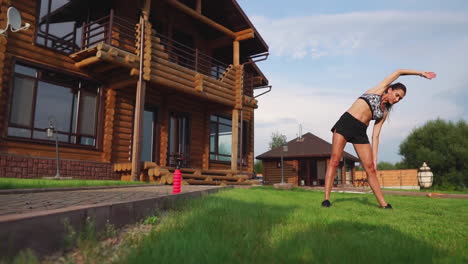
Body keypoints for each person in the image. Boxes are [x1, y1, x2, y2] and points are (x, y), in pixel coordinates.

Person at [322, 69, 437, 209]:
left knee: (370, 168)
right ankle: (326, 199)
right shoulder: (378, 89)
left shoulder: (384, 113)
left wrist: (375, 159)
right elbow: (399, 72)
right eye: (396, 95)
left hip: (360, 132)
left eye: (400, 99)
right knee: (334, 160)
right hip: (346, 123)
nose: (397, 99)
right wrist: (420, 74)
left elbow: (375, 136)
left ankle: (384, 204)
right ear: (389, 89)